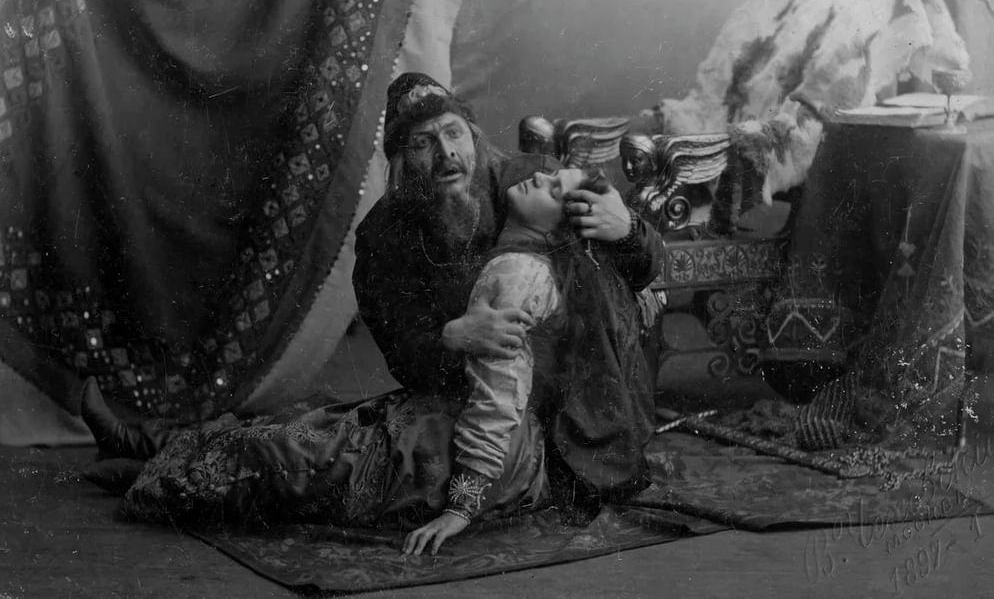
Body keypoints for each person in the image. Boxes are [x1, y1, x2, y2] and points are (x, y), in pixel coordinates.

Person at [79, 165, 657, 557]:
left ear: (558, 226)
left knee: (292, 455)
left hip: (482, 454)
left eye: (555, 188)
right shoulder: (514, 238)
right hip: (471, 428)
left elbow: (499, 397)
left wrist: (462, 507)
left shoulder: (518, 273)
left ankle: (143, 470)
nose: (541, 175)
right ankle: (144, 449)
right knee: (312, 423)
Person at [352, 72, 666, 403]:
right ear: (401, 163)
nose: (446, 153)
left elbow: (645, 271)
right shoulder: (381, 235)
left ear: (473, 135)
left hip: (568, 392)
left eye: (453, 133)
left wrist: (627, 229)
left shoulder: (536, 180)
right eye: (423, 143)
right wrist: (452, 337)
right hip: (467, 397)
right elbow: (401, 355)